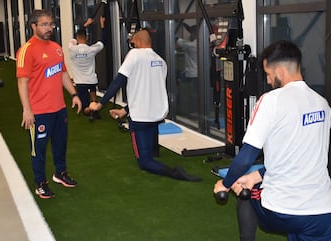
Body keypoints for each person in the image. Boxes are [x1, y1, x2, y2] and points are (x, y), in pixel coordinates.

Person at [214, 40, 331, 240]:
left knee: (246, 193)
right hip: (323, 211)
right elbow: (299, 157)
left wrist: (226, 183)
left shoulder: (271, 100)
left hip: (282, 210)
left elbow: (246, 157)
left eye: (268, 74)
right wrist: (256, 176)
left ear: (280, 71)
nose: (268, 81)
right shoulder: (322, 103)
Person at [89, 29, 201, 182]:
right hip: (156, 115)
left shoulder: (134, 55)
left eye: (133, 43)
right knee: (150, 152)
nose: (132, 46)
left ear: (139, 42)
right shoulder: (161, 62)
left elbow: (118, 81)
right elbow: (147, 90)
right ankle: (154, 154)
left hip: (140, 119)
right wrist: (125, 110)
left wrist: (100, 104)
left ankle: (175, 173)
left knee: (144, 162)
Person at [16, 9, 82, 199]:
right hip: (39, 112)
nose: (49, 28)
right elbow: (22, 82)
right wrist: (27, 110)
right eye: (44, 24)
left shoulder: (56, 47)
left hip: (59, 109)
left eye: (51, 24)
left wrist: (74, 94)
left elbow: (62, 74)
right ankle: (40, 183)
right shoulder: (26, 50)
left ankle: (60, 174)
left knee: (60, 145)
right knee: (39, 151)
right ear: (33, 26)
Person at [68, 17, 106, 121]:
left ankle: (89, 110)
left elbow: (74, 38)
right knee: (93, 93)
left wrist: (85, 24)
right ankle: (94, 110)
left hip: (80, 82)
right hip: (91, 80)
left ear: (77, 38)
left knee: (84, 107)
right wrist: (102, 24)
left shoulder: (71, 48)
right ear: (87, 38)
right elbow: (102, 41)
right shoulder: (91, 50)